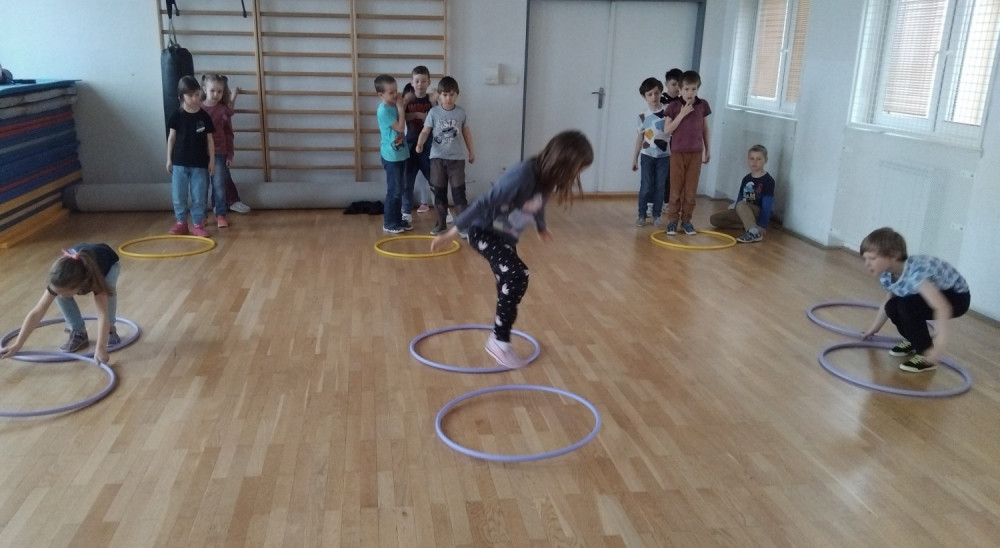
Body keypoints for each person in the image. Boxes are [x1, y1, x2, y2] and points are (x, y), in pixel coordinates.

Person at [430, 130, 593, 368]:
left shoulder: (547, 178)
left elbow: (538, 202)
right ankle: (499, 341)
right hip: (483, 231)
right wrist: (453, 231)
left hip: (505, 236)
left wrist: (541, 226)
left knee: (508, 284)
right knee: (517, 275)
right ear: (563, 162)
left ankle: (500, 336)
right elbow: (485, 201)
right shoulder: (522, 175)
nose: (575, 176)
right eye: (576, 170)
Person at [859, 227, 971, 372]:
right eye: (865, 259)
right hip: (935, 296)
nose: (867, 264)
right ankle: (913, 340)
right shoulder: (887, 276)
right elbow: (887, 304)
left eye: (872, 258)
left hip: (956, 298)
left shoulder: (916, 273)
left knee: (907, 306)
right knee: (892, 306)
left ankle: (925, 355)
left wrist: (940, 343)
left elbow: (942, 307)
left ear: (894, 255)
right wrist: (873, 330)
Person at [0, 244, 121, 364]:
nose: (59, 294)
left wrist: (100, 348)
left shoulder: (95, 279)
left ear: (79, 287)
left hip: (108, 263)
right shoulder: (59, 279)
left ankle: (110, 329)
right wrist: (17, 345)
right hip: (76, 265)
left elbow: (102, 314)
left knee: (107, 295)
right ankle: (78, 330)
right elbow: (37, 313)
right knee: (59, 295)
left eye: (63, 292)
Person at [416, 76, 475, 236]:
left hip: (456, 160)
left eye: (451, 94)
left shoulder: (461, 113)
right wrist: (420, 143)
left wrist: (471, 151)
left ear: (457, 94)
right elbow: (425, 131)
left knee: (459, 193)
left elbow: (466, 133)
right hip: (437, 159)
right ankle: (440, 224)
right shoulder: (434, 112)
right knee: (439, 192)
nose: (448, 98)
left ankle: (462, 226)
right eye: (444, 95)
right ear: (439, 95)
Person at [663, 70, 711, 235]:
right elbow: (667, 129)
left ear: (698, 88)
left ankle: (686, 221)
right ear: (680, 89)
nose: (690, 93)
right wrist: (682, 114)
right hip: (678, 153)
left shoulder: (702, 105)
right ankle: (672, 221)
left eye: (694, 89)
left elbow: (705, 129)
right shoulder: (674, 106)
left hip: (696, 153)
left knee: (690, 192)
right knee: (675, 190)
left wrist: (708, 149)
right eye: (686, 89)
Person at [167, 75, 215, 238]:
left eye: (197, 94)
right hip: (179, 163)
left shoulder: (204, 117)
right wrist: (169, 159)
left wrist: (212, 161)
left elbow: (210, 140)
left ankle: (198, 224)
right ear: (181, 96)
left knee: (199, 195)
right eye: (190, 95)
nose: (195, 98)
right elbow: (171, 138)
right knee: (178, 195)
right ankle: (181, 222)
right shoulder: (176, 115)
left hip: (199, 164)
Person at [709, 144, 775, 243]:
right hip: (743, 209)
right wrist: (735, 210)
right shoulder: (746, 179)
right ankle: (749, 225)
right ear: (748, 160)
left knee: (741, 204)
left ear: (765, 160)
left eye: (758, 159)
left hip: (757, 212)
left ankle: (754, 232)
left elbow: (767, 206)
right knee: (715, 219)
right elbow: (740, 197)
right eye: (752, 158)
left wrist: (762, 225)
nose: (754, 162)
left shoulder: (768, 180)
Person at [374, 73, 411, 234]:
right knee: (394, 190)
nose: (395, 94)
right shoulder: (384, 111)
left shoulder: (393, 104)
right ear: (380, 95)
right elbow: (400, 127)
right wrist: (401, 108)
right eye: (391, 92)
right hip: (391, 156)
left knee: (400, 189)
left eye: (396, 90)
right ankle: (389, 222)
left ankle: (397, 219)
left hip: (400, 153)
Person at [631, 77, 670, 227]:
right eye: (650, 94)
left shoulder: (668, 111)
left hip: (664, 156)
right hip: (647, 155)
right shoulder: (642, 115)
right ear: (644, 96)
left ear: (661, 93)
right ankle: (641, 215)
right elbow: (640, 137)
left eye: (657, 93)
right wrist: (634, 158)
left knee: (660, 186)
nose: (654, 97)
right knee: (646, 185)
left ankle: (656, 215)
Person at [201, 73, 236, 228]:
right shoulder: (198, 109)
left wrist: (230, 154)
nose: (216, 95)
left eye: (219, 91)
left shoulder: (223, 110)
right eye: (212, 91)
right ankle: (201, 216)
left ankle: (221, 214)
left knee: (219, 185)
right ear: (204, 89)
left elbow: (229, 134)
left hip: (219, 153)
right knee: (201, 186)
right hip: (200, 154)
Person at [402, 67, 436, 220]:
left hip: (428, 146)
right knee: (407, 181)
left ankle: (443, 211)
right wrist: (415, 114)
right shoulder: (406, 100)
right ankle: (406, 213)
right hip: (409, 145)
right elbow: (398, 117)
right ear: (412, 82)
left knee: (435, 180)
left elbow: (439, 117)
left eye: (423, 81)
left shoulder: (431, 99)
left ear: (429, 82)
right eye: (417, 81)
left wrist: (435, 100)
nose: (420, 84)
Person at [223, 83, 251, 214]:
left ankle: (230, 201)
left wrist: (234, 95)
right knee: (218, 177)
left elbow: (229, 110)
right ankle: (225, 202)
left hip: (222, 146)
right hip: (211, 147)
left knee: (222, 174)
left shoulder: (222, 109)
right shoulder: (206, 107)